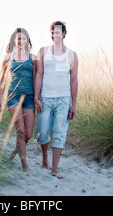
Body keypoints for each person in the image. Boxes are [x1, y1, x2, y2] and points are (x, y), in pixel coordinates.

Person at [34, 21, 78, 179]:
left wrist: (73, 104)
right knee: (43, 131)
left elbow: (73, 80)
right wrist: (36, 96)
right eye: (53, 32)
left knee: (60, 132)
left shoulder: (72, 55)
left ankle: (55, 168)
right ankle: (45, 160)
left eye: (58, 32)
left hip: (63, 99)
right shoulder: (43, 51)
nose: (55, 35)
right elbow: (39, 74)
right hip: (45, 98)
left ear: (64, 34)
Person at [0, 28, 36, 172]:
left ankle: (16, 150)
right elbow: (2, 80)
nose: (21, 41)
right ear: (14, 40)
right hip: (13, 97)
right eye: (19, 38)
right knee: (21, 131)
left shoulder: (33, 57)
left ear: (27, 41)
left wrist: (38, 97)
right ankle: (24, 165)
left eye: (24, 39)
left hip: (29, 97)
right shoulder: (8, 57)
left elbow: (38, 78)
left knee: (28, 134)